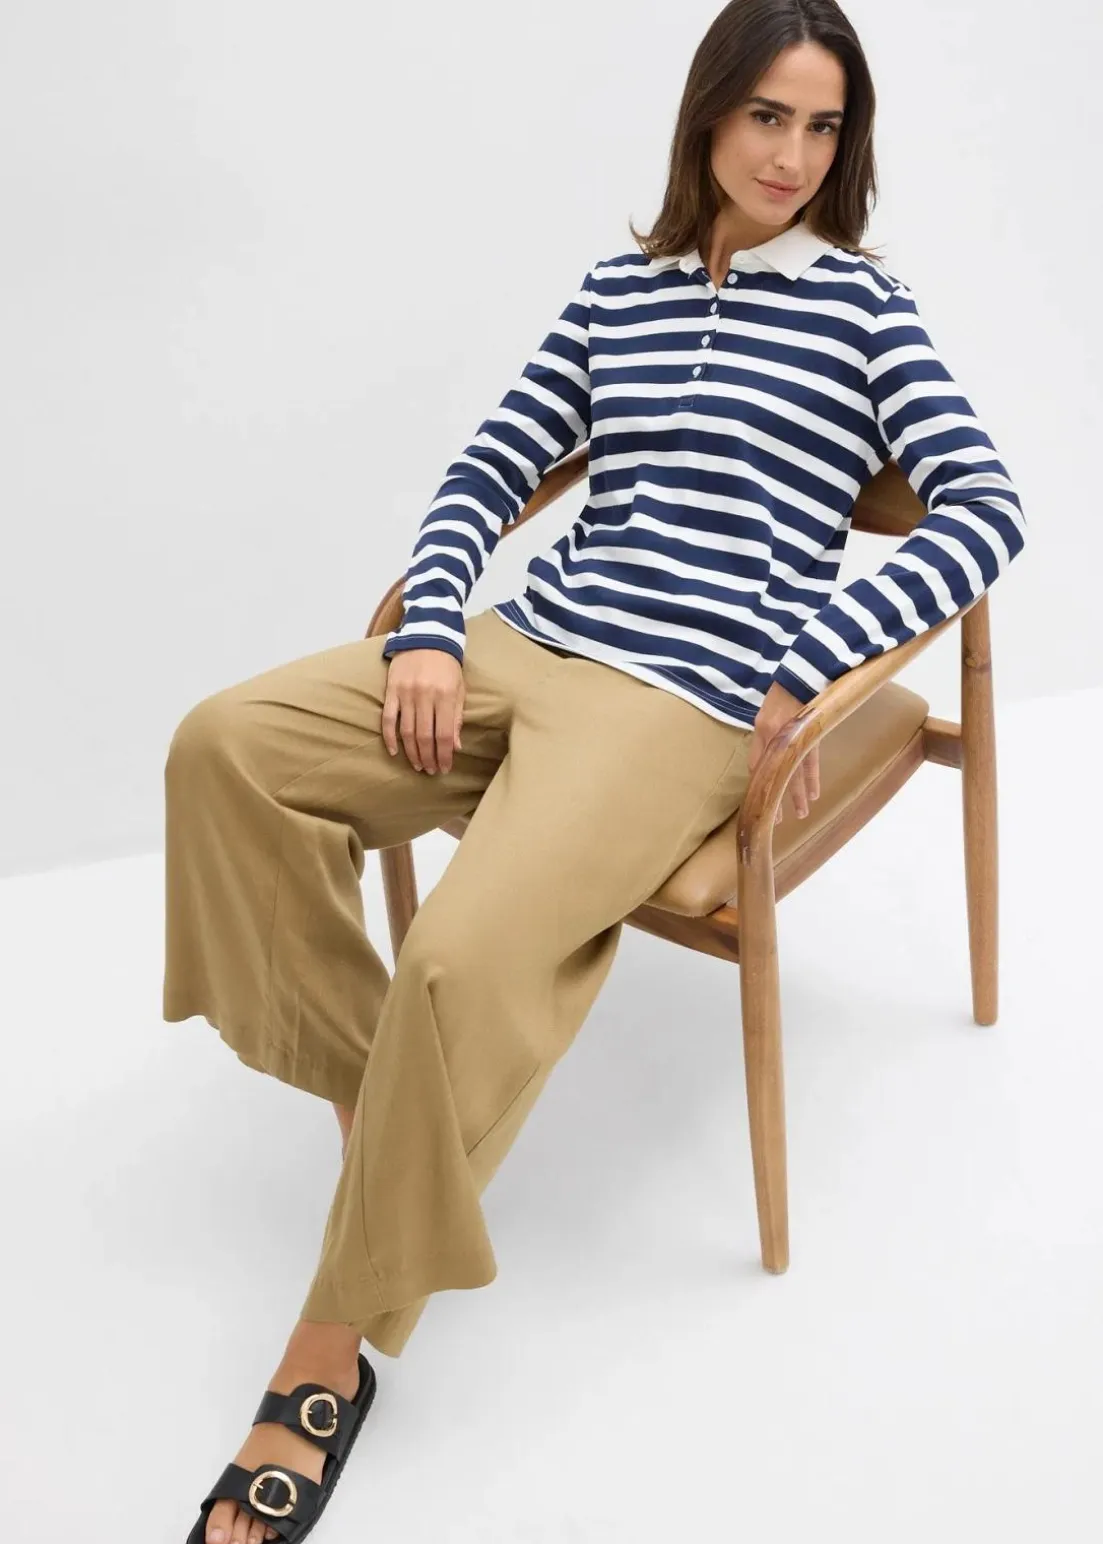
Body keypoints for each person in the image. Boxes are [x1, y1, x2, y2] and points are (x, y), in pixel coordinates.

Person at [164, 2, 1027, 1539]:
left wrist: (806, 664)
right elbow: (488, 467)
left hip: (681, 707)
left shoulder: (861, 310)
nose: (791, 155)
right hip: (522, 644)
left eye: (822, 126)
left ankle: (328, 1348)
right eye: (766, 115)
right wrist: (434, 630)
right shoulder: (617, 291)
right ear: (707, 116)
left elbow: (981, 506)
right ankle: (380, 1107)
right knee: (222, 749)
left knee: (457, 961)